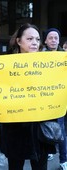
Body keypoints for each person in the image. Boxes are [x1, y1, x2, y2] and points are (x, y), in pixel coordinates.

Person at [0, 23, 57, 170]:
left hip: (40, 130)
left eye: (37, 39)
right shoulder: (3, 66)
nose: (34, 43)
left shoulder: (48, 65)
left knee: (40, 167)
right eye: (30, 38)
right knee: (15, 166)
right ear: (19, 41)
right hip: (15, 130)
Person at [43, 28, 67, 170]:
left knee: (60, 130)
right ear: (45, 40)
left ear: (59, 40)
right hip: (43, 100)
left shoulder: (64, 57)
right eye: (50, 38)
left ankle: (64, 160)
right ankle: (49, 152)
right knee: (46, 128)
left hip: (60, 100)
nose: (53, 40)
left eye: (56, 38)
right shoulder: (37, 56)